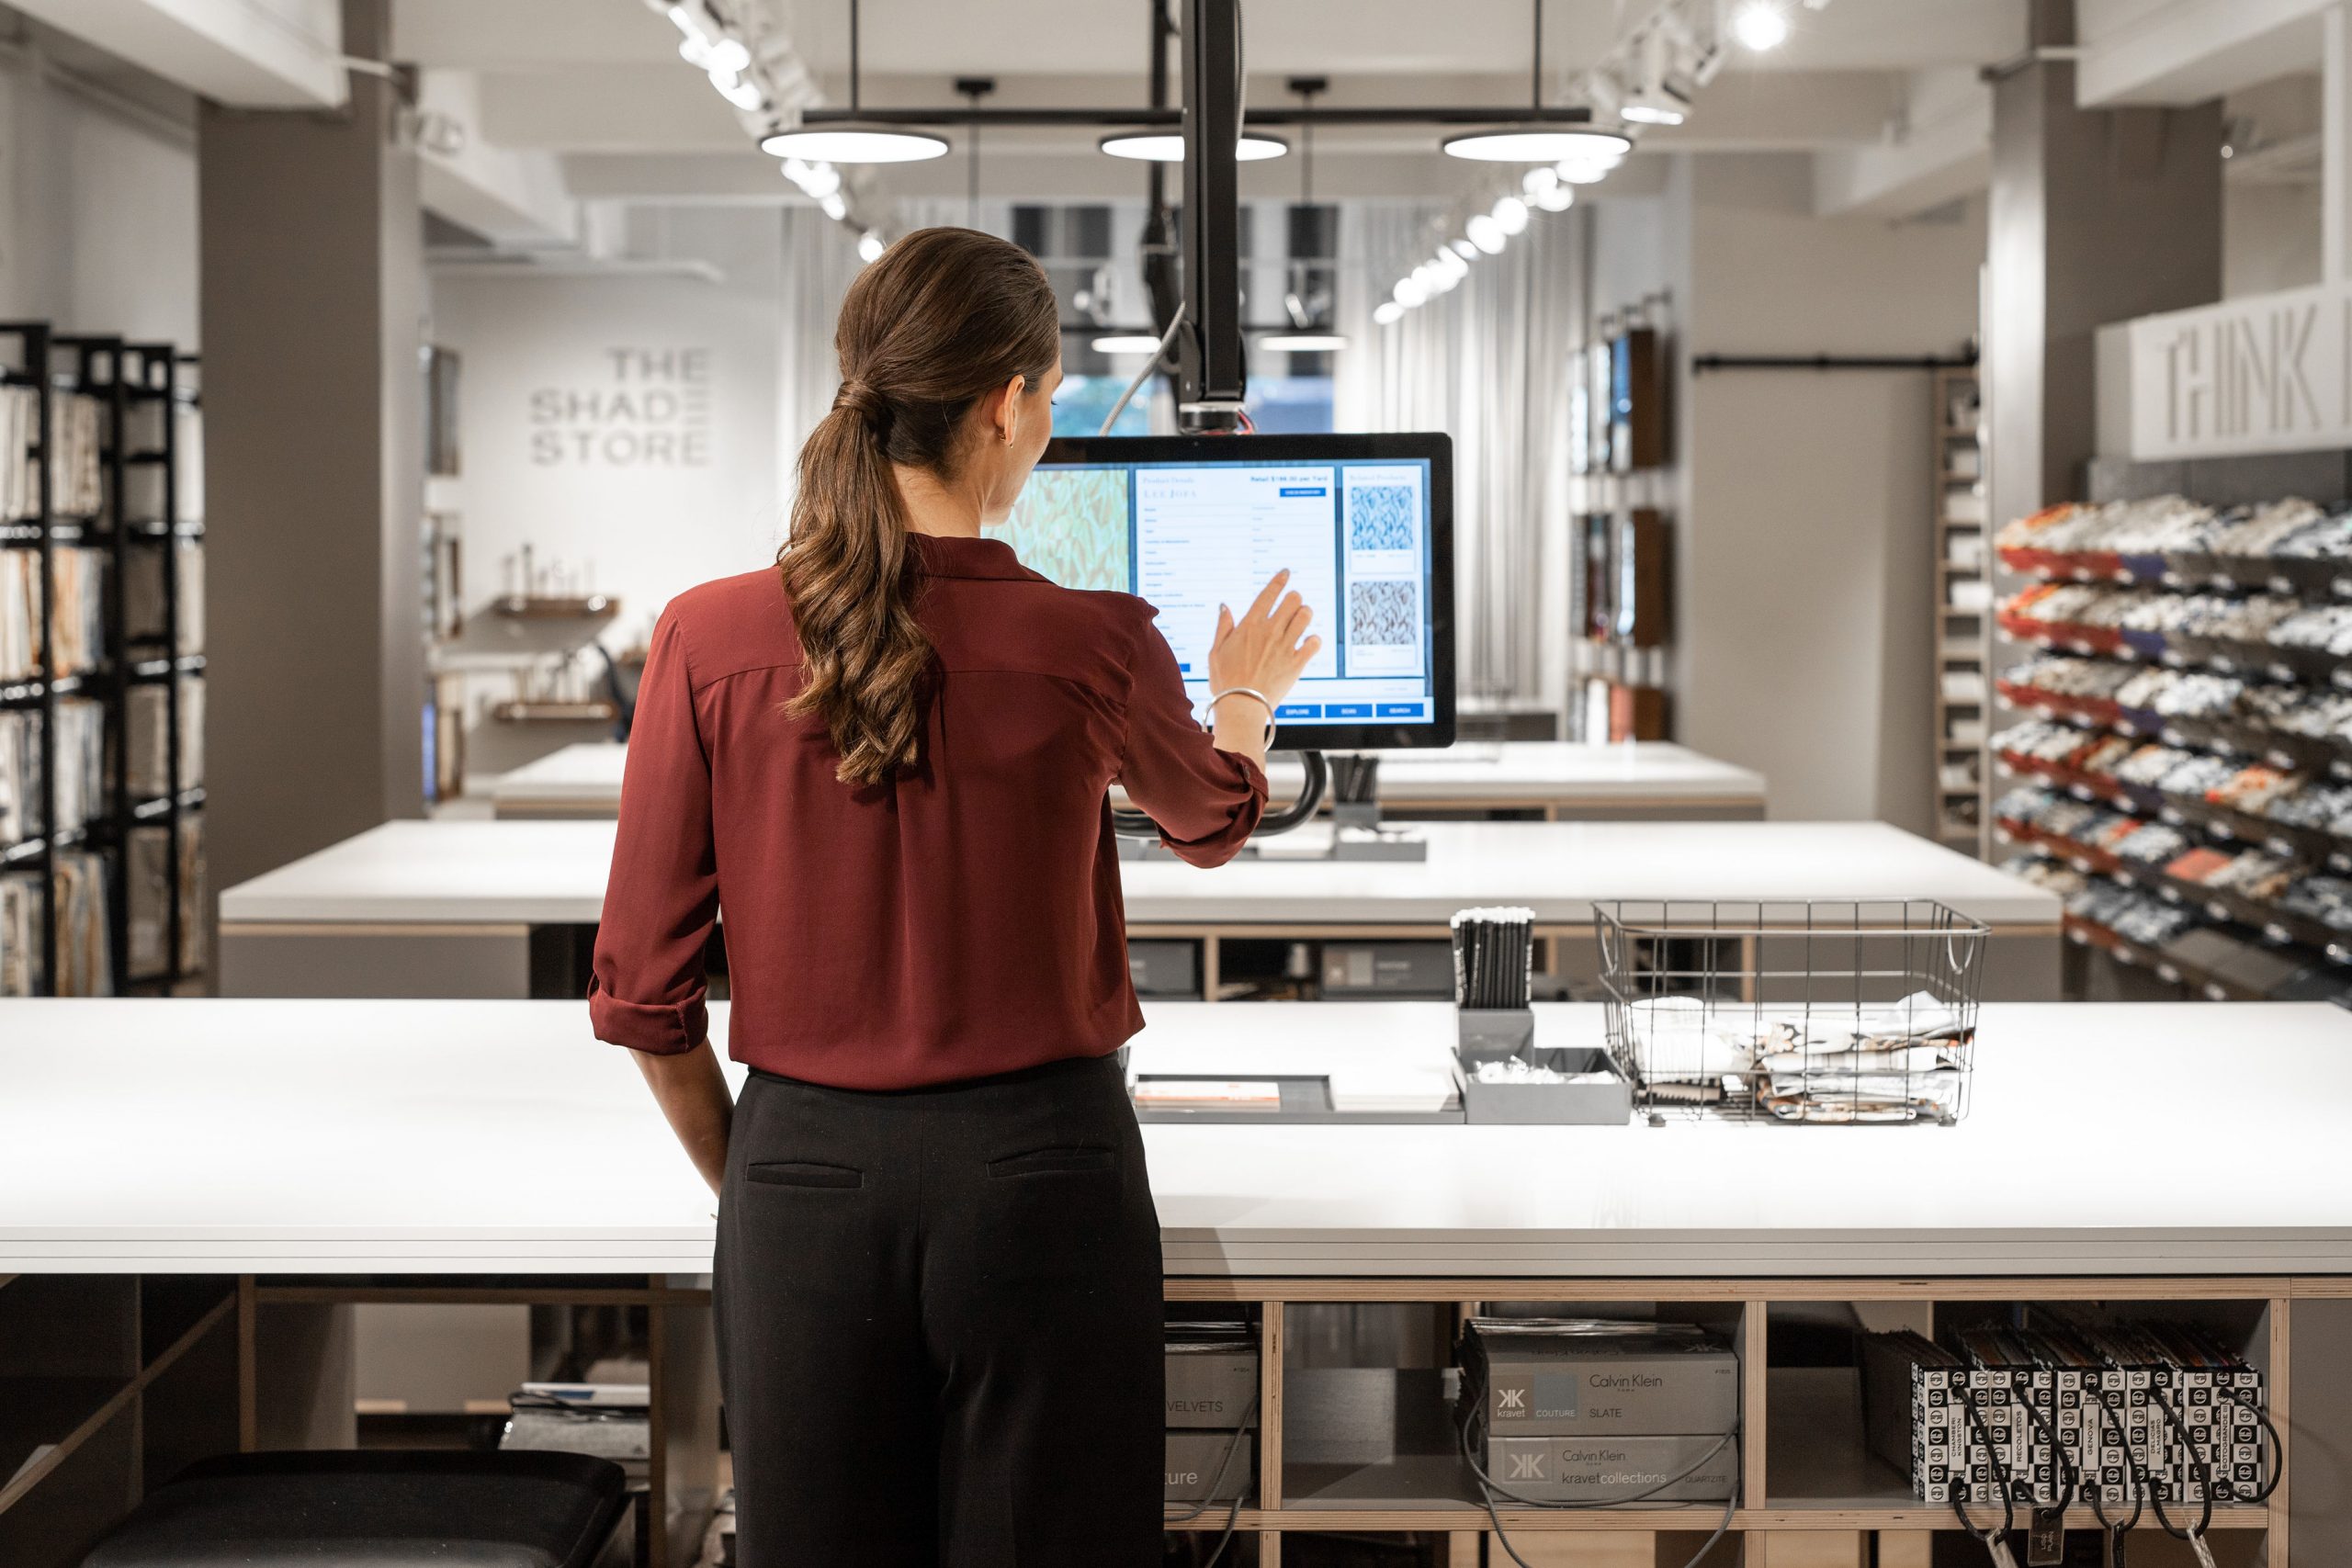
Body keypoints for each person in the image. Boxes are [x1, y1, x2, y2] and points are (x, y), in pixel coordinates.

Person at [588, 226, 1320, 1567]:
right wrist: (1249, 701)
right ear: (1006, 404)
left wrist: (759, 1172)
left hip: (803, 1178)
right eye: (1045, 394)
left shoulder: (706, 637)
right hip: (1043, 1178)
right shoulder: (1094, 641)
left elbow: (645, 998)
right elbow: (1214, 818)